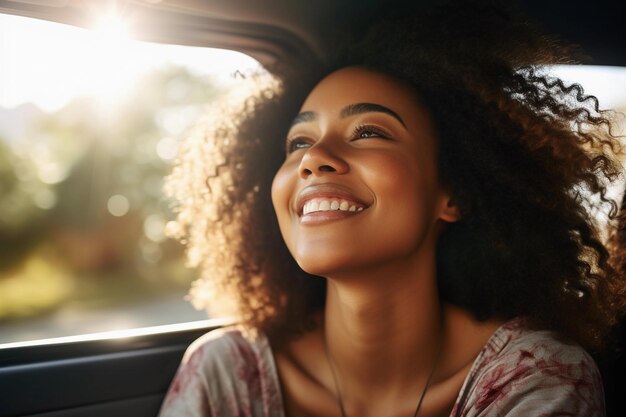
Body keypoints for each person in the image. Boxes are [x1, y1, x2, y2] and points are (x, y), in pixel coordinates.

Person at [158, 1, 626, 416]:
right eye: (298, 141)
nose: (313, 158)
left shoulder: (535, 378)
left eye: (369, 132)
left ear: (455, 193)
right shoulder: (223, 369)